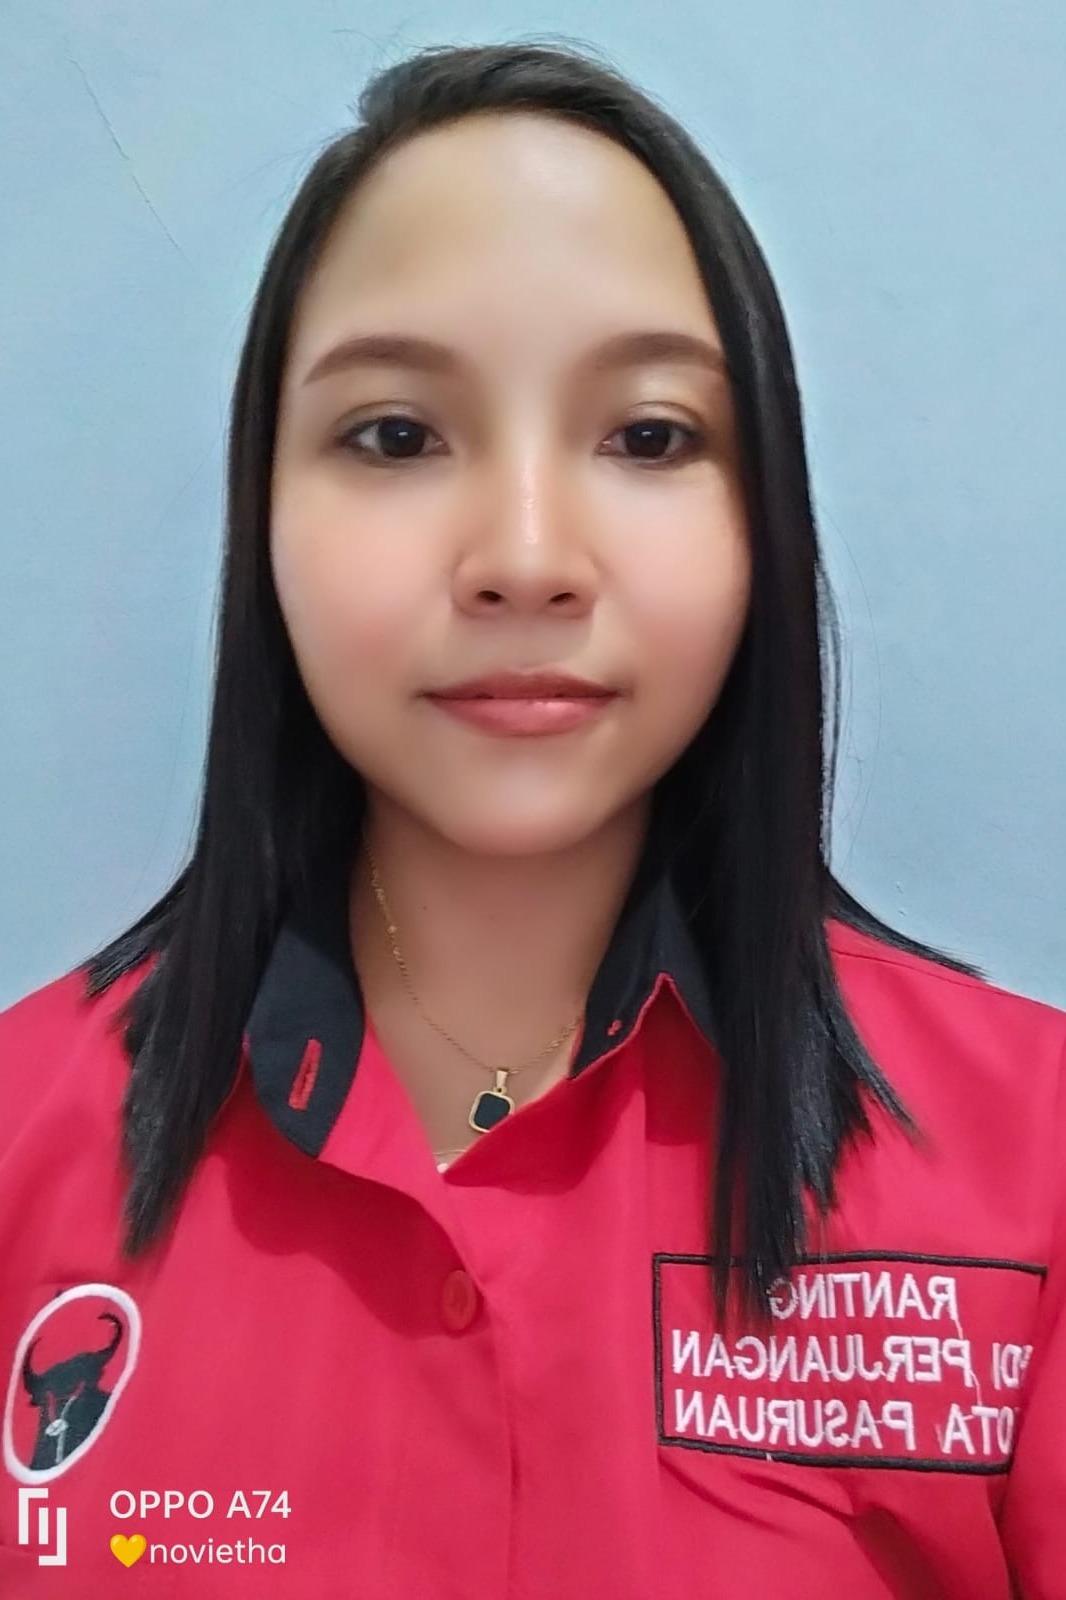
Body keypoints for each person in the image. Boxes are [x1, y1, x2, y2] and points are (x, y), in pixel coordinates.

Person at [1, 37, 1063, 1600]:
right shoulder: (21, 1144)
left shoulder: (1033, 1163)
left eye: (648, 436)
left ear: (762, 517)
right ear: (264, 514)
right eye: (395, 435)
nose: (521, 558)